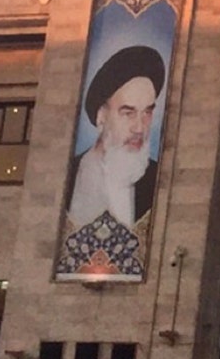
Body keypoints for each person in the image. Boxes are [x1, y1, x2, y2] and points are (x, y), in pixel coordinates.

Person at [67, 45, 164, 229]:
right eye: (128, 113)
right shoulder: (69, 175)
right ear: (101, 115)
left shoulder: (157, 179)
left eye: (147, 113)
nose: (139, 128)